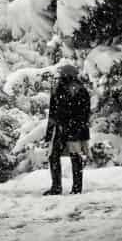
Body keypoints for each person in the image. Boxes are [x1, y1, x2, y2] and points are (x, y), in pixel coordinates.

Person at [44, 63, 91, 196]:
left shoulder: (80, 90)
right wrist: (49, 133)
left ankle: (75, 188)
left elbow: (84, 113)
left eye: (62, 75)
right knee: (54, 157)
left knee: (74, 157)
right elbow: (52, 113)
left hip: (73, 129)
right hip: (62, 129)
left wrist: (75, 127)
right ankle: (57, 187)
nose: (60, 77)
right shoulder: (57, 89)